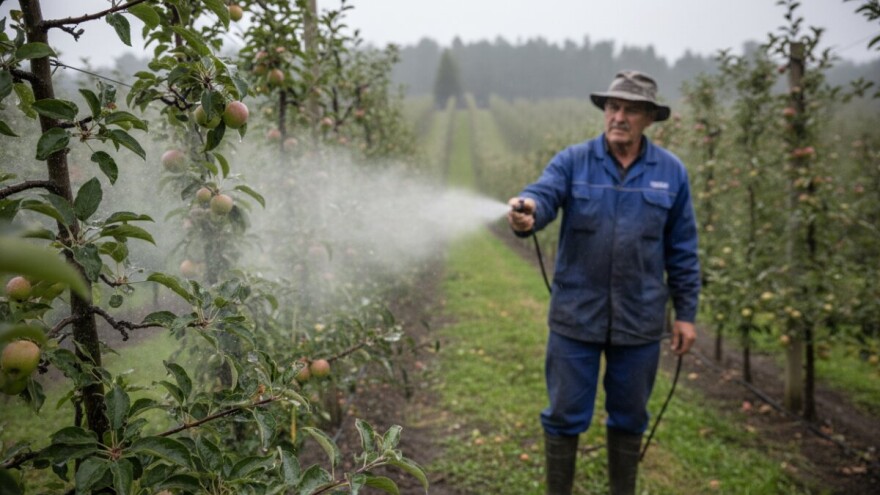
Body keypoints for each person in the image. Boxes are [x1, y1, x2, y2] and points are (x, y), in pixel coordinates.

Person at [507, 70, 700, 495]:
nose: (619, 116)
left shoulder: (671, 173)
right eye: (613, 107)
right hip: (577, 315)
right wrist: (527, 211)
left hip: (640, 319)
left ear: (650, 117)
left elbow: (683, 248)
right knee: (564, 413)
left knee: (630, 415)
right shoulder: (573, 162)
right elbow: (543, 195)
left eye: (631, 109)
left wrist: (686, 314)